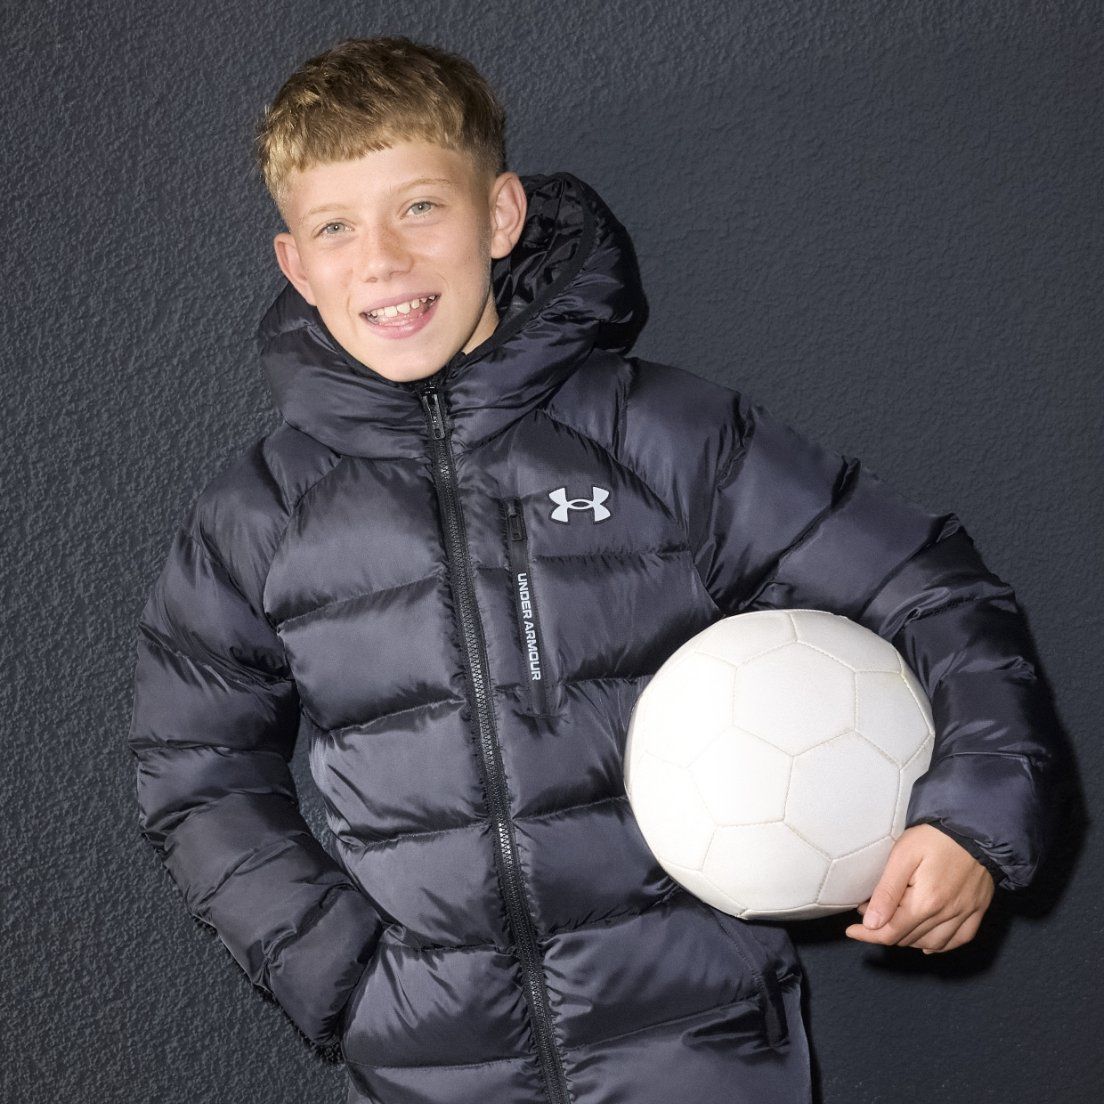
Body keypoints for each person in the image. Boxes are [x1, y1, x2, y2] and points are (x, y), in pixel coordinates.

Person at [126, 34, 1067, 1104]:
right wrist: (341, 980)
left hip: (699, 1048)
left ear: (500, 216)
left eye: (420, 207)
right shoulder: (259, 512)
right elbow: (191, 765)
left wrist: (970, 814)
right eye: (336, 226)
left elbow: (930, 587)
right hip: (430, 1067)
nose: (381, 260)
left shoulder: (662, 437)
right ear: (295, 262)